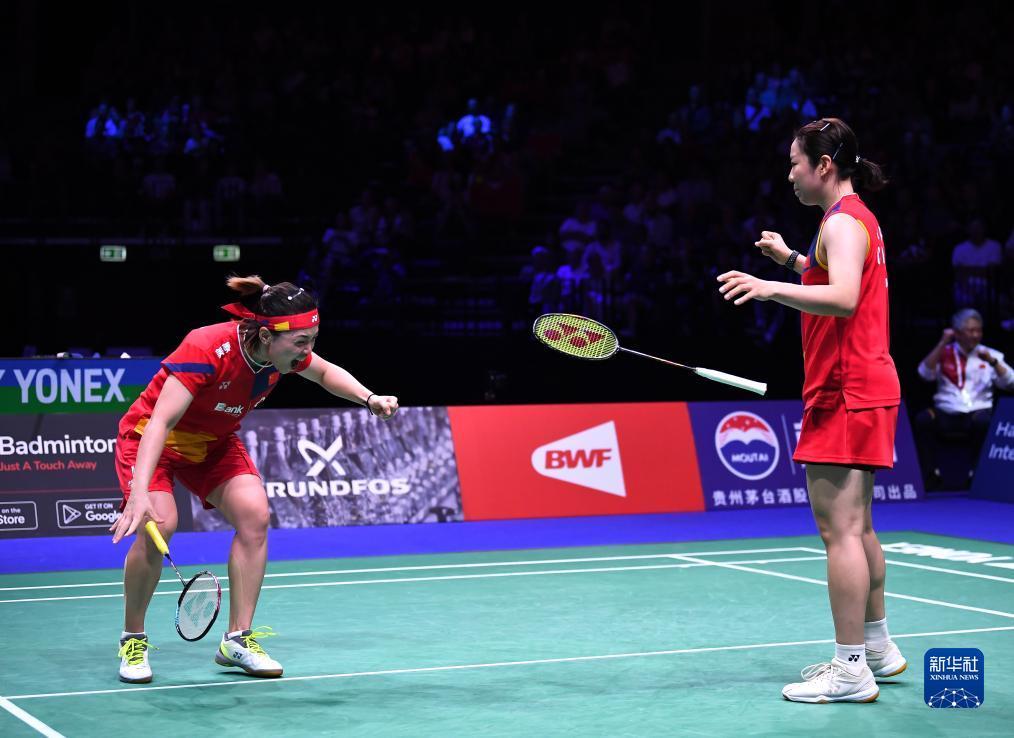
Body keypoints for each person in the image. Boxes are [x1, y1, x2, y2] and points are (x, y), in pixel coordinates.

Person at [109, 275, 399, 684]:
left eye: (312, 340)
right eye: (301, 342)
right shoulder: (207, 346)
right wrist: (138, 493)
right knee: (160, 523)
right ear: (265, 336)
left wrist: (369, 398)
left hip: (212, 443)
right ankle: (133, 639)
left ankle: (236, 639)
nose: (307, 351)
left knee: (254, 515)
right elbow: (160, 423)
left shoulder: (286, 354)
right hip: (151, 440)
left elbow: (324, 373)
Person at [717, 118, 905, 703]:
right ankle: (877, 647)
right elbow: (837, 277)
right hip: (866, 383)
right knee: (860, 526)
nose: (790, 174)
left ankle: (850, 670)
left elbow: (844, 297)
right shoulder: (854, 219)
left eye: (795, 163)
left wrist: (768, 287)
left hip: (844, 389)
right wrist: (793, 260)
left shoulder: (842, 222)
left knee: (839, 532)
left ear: (824, 165)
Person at [915, 308, 1013, 487]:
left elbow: (1011, 382)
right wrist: (942, 343)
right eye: (971, 330)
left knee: (984, 422)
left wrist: (993, 362)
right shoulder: (943, 353)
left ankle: (975, 474)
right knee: (924, 419)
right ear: (957, 333)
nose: (976, 335)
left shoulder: (990, 355)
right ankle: (932, 474)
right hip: (946, 410)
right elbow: (924, 373)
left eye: (979, 330)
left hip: (977, 411)